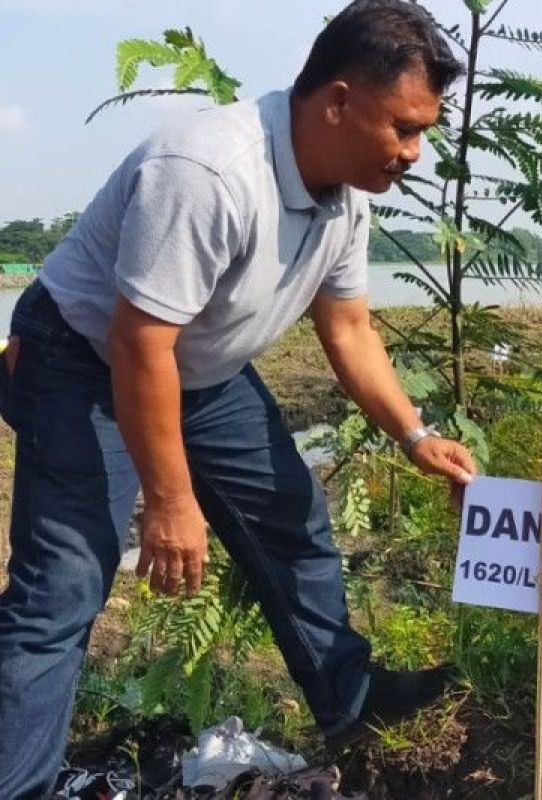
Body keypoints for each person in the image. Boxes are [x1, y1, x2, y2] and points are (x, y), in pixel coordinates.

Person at [0, 3, 476, 795]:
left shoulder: (344, 193)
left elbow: (350, 327)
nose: (413, 153)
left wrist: (413, 432)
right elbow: (137, 343)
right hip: (82, 360)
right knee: (66, 586)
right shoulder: (209, 172)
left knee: (292, 520)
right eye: (403, 127)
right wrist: (170, 498)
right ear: (338, 101)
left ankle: (351, 702)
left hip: (195, 371)